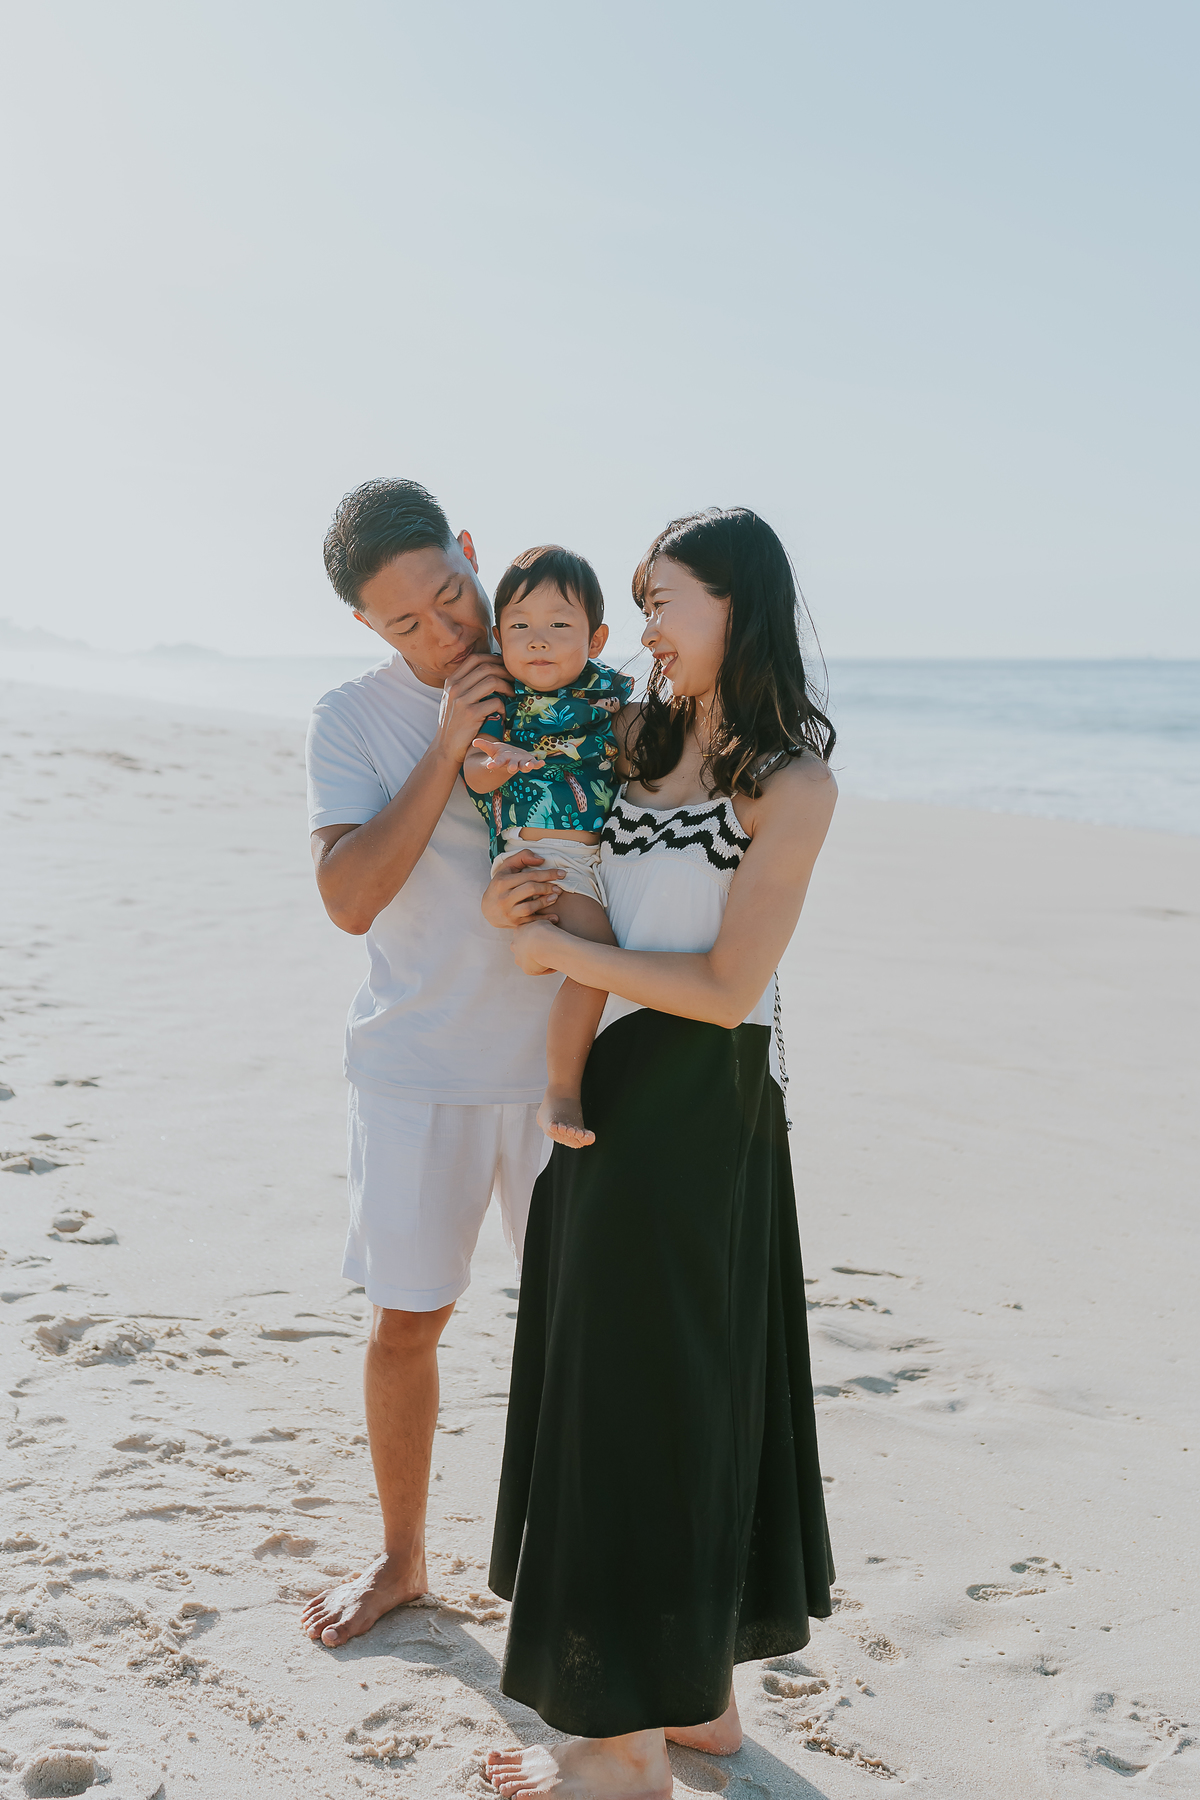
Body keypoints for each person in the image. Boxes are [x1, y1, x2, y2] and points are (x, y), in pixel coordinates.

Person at [481, 508, 839, 1799]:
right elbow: (608, 903)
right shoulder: (643, 738)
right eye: (637, 608)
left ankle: (624, 1753)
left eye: (661, 602)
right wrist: (530, 904)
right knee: (633, 1393)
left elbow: (730, 986)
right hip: (610, 1095)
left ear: (735, 605)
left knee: (660, 1398)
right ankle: (697, 1705)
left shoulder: (792, 784)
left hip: (703, 1107)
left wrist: (554, 950)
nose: (644, 632)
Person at [299, 478, 564, 1648]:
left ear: (469, 549)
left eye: (453, 597)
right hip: (416, 1068)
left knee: (581, 1334)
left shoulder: (564, 668)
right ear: (368, 626)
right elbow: (349, 898)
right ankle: (403, 1557)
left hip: (565, 1067)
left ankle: (580, 1565)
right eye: (407, 622)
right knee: (407, 1322)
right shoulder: (351, 718)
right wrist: (450, 744)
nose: (447, 631)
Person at [462, 544, 634, 1150]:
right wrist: (497, 763)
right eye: (519, 626)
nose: (538, 640)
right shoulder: (501, 703)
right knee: (597, 961)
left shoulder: (608, 700)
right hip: (539, 857)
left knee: (593, 957)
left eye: (560, 625)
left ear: (596, 637)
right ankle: (561, 1088)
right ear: (497, 636)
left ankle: (537, 951)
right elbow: (472, 771)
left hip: (596, 862)